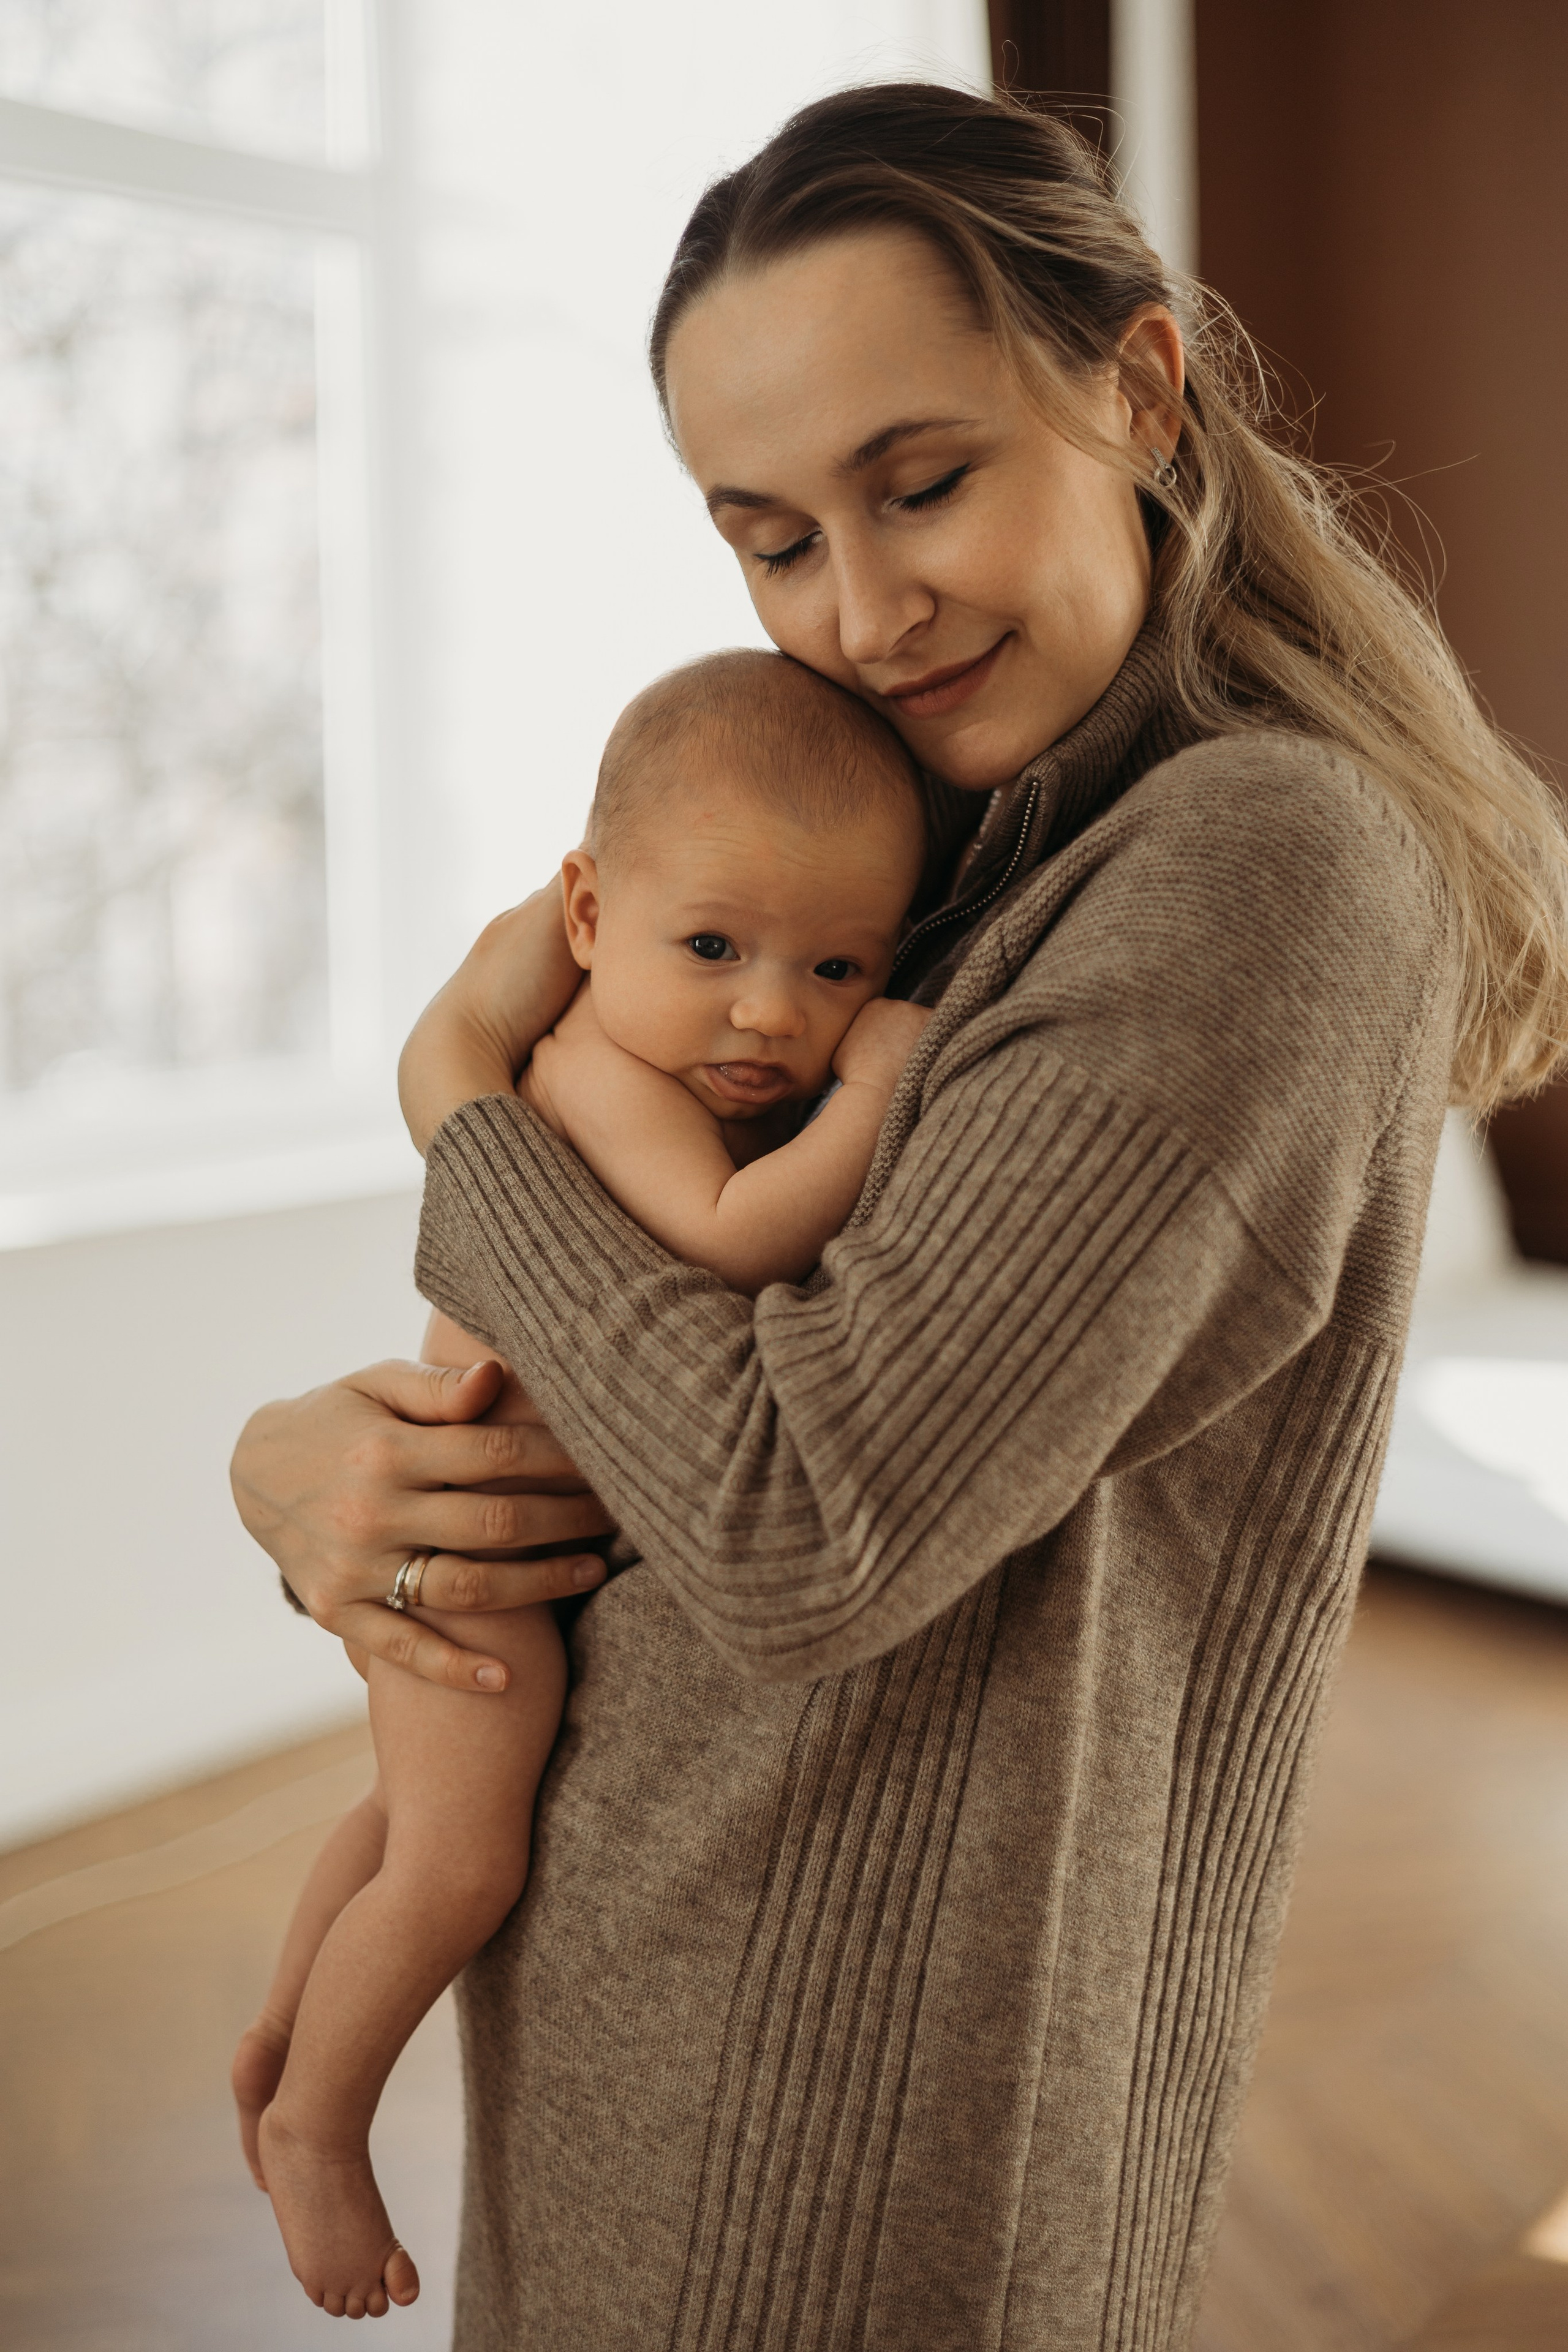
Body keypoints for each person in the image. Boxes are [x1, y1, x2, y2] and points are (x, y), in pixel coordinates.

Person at [230, 85, 1568, 2351]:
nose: (856, 611)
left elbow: (791, 1519)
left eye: (919, 481)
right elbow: (681, 1393)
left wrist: (462, 1112)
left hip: (857, 2128)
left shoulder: (1257, 868)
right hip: (654, 1973)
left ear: (1135, 390)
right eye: (766, 539)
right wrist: (328, 1481)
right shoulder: (921, 864)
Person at [233, 649, 931, 2320]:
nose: (772, 1010)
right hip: (492, 1569)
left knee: (407, 1820)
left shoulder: (662, 1051)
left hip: (493, 1536)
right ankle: (325, 2130)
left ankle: (281, 2044)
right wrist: (885, 1088)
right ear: (587, 914)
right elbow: (731, 1237)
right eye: (714, 950)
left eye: (837, 966)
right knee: (460, 1867)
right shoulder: (601, 1075)